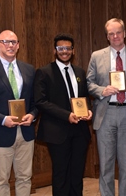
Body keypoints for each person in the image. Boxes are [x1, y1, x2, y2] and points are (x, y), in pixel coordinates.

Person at [86, 18, 126, 196]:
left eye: (118, 32)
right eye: (111, 33)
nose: (115, 36)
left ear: (124, 33)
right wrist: (102, 90)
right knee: (106, 163)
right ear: (107, 36)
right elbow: (89, 82)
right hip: (106, 113)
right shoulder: (97, 56)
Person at [34, 33, 93, 196]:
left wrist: (88, 110)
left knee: (77, 174)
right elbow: (40, 102)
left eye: (68, 48)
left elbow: (85, 97)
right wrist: (66, 115)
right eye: (61, 48)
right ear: (55, 51)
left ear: (73, 51)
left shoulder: (80, 72)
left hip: (80, 131)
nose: (64, 51)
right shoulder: (44, 72)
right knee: (61, 175)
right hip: (57, 131)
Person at [0, 30, 38, 196]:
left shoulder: (29, 70)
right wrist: (2, 119)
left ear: (18, 46)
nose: (10, 45)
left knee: (25, 177)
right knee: (1, 180)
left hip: (26, 132)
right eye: (6, 41)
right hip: (0, 132)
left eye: (13, 42)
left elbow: (37, 101)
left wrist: (33, 114)